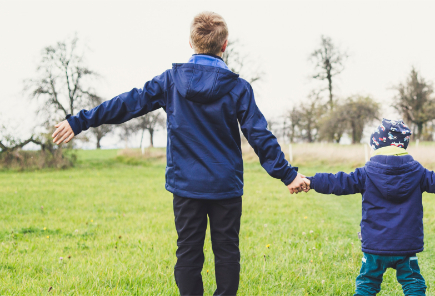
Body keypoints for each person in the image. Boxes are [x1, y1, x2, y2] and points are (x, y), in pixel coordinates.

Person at [49, 11, 308, 296]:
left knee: (188, 254)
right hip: (225, 186)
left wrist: (79, 121)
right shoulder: (237, 87)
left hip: (186, 186)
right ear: (224, 45)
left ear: (191, 43)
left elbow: (126, 104)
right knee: (227, 253)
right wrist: (288, 175)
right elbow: (259, 135)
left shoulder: (170, 81)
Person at [300, 119, 435, 296]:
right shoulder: (418, 172)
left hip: (375, 245)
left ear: (377, 145)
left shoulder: (366, 173)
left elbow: (338, 182)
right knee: (413, 282)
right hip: (406, 245)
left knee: (367, 283)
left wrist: (312, 181)